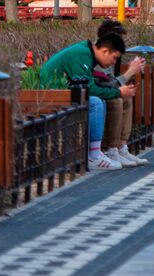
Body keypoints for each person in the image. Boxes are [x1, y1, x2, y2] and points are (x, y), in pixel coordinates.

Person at [42, 31, 134, 171]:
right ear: (104, 51)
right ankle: (94, 155)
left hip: (64, 92)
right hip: (52, 94)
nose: (113, 63)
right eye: (114, 58)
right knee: (96, 103)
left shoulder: (86, 52)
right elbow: (89, 89)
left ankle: (98, 151)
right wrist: (118, 92)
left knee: (100, 102)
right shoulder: (82, 53)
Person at [93, 19, 147, 167]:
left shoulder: (109, 52)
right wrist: (129, 73)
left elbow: (110, 80)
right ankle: (111, 148)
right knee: (117, 99)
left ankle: (122, 147)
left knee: (126, 98)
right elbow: (104, 84)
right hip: (93, 92)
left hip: (99, 90)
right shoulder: (98, 53)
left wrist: (130, 70)